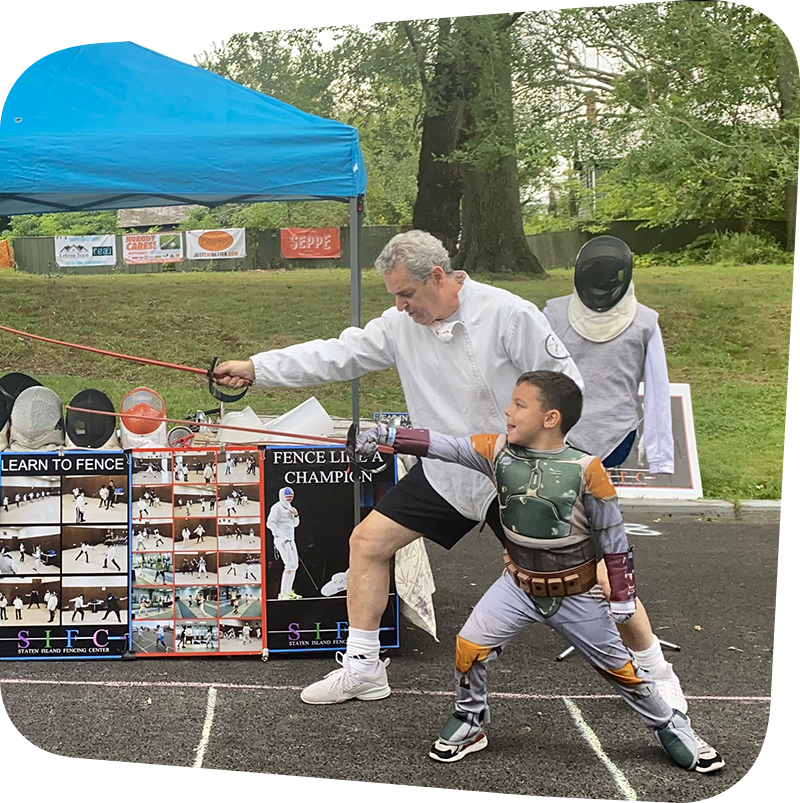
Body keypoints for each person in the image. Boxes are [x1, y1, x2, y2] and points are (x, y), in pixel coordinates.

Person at [213, 230, 583, 703]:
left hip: (518, 473)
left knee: (578, 579)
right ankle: (364, 668)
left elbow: (566, 387)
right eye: (394, 296)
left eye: (407, 294)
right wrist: (256, 368)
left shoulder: (508, 314)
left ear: (438, 276)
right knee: (367, 542)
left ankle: (651, 672)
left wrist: (547, 457)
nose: (402, 305)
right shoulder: (397, 325)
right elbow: (334, 354)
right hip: (447, 471)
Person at [354, 370, 723, 773]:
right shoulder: (496, 451)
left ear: (551, 418)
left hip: (577, 593)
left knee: (623, 672)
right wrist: (390, 436)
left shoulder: (587, 471)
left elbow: (614, 541)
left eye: (519, 405)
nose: (507, 412)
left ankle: (671, 724)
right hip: (516, 586)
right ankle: (470, 719)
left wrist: (620, 595)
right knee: (469, 649)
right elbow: (447, 446)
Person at [544, 236, 685, 711]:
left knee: (603, 529)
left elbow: (657, 386)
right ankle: (597, 611)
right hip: (561, 433)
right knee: (568, 528)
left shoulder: (645, 322)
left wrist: (660, 454)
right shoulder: (552, 312)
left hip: (614, 439)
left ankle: (621, 620)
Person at [267, 488, 302, 601]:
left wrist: (296, 515)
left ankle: (289, 591)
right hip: (282, 540)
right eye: (287, 496)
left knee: (294, 565)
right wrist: (280, 536)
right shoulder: (276, 507)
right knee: (289, 565)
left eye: (291, 495)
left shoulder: (291, 508)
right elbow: (270, 523)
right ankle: (282, 593)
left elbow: (295, 524)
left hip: (291, 540)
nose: (289, 498)